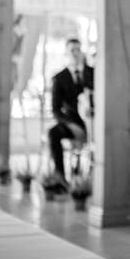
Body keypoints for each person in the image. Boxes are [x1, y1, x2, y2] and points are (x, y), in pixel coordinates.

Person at [47, 37, 93, 188]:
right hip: (71, 123)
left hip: (93, 123)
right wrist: (71, 125)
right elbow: (55, 109)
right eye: (72, 50)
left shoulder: (93, 73)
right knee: (53, 133)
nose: (75, 53)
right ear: (66, 53)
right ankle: (60, 177)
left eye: (78, 49)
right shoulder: (59, 78)